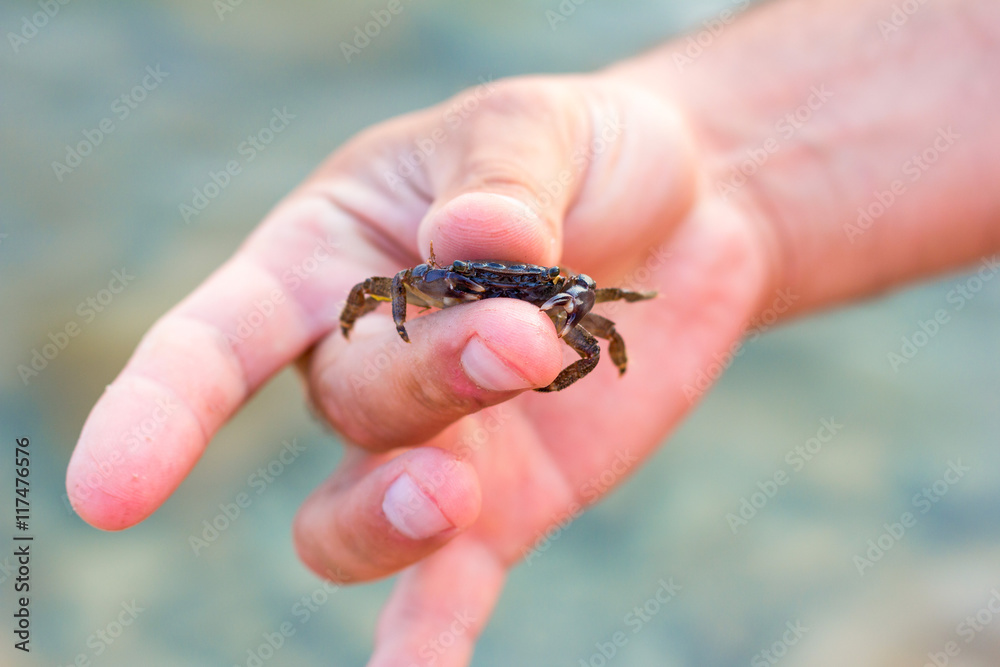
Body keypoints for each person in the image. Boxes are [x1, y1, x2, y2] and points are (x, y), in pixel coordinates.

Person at [66, 0, 999, 664]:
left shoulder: (559, 295)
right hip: (455, 283)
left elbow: (593, 324)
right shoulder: (431, 275)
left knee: (542, 315)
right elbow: (384, 287)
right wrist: (712, 152)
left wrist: (582, 342)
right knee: (403, 314)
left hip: (519, 289)